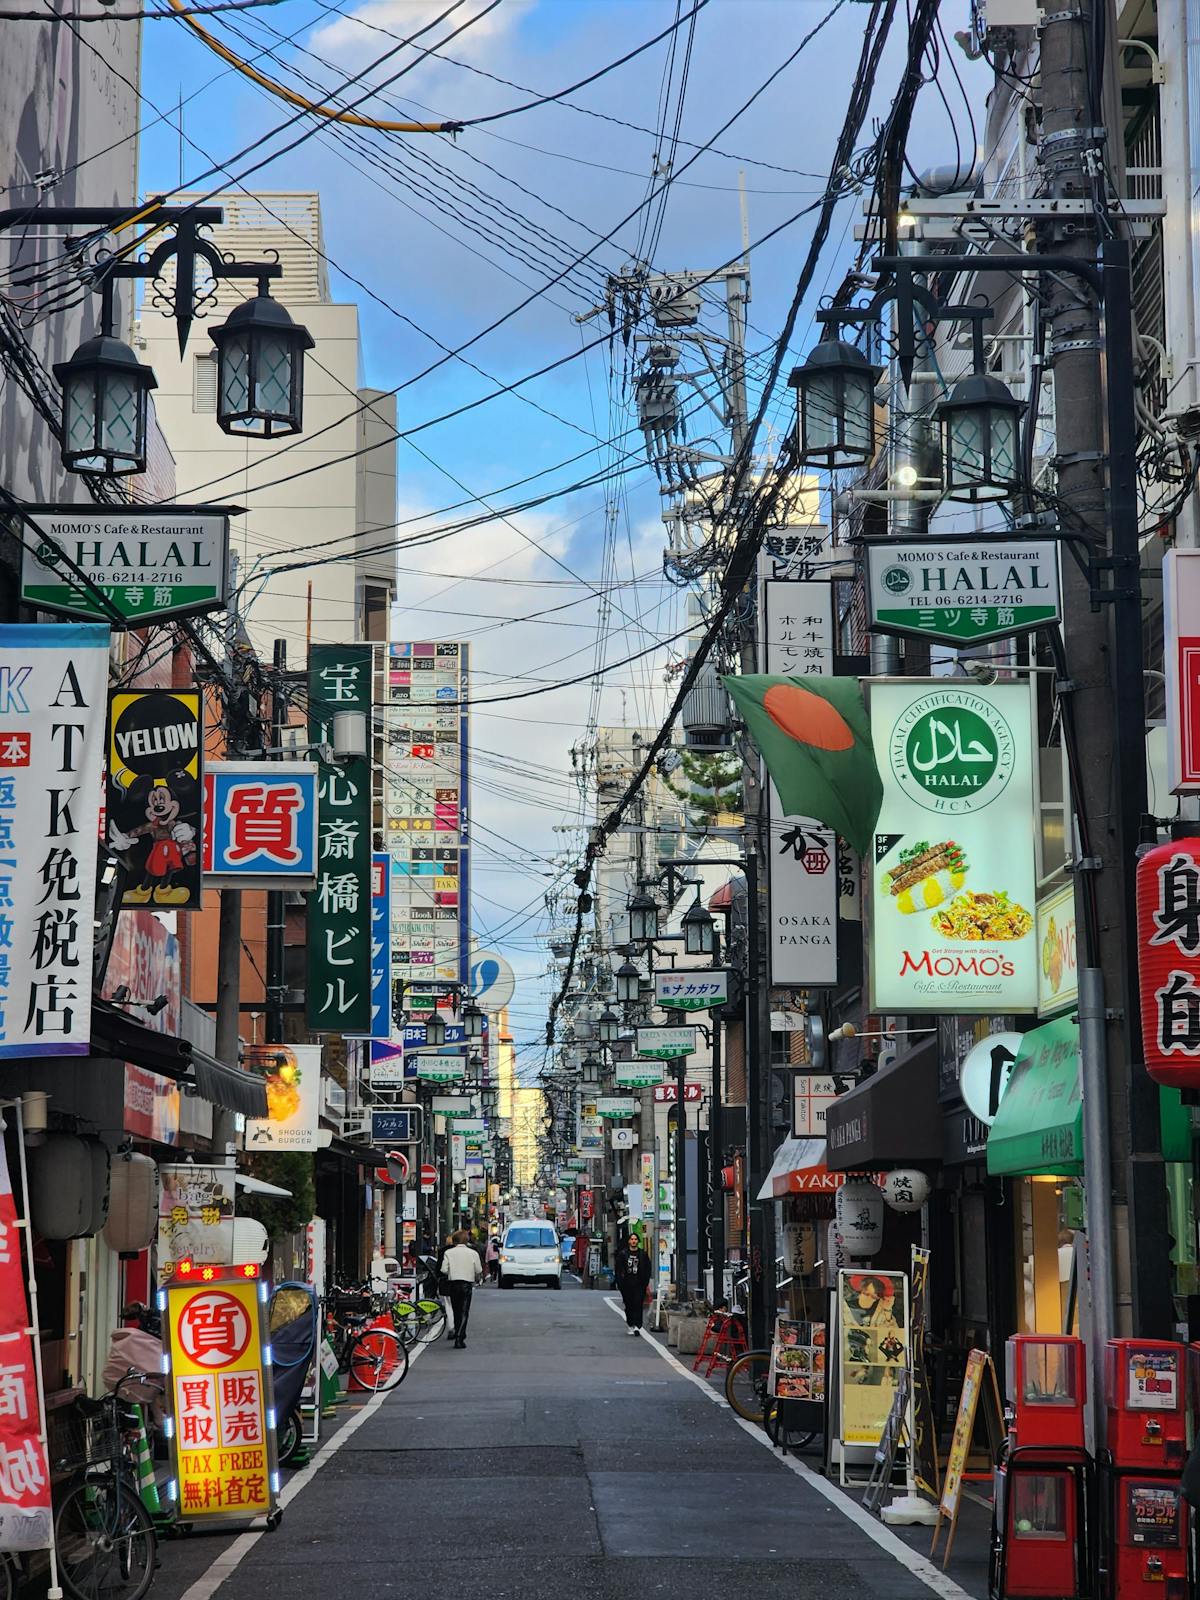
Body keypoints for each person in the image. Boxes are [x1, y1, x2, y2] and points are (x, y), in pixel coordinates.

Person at [441, 1228, 483, 1349]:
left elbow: (443, 1269)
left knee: (456, 1310)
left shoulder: (448, 1253)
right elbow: (479, 1270)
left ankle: (456, 1332)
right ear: (466, 1240)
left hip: (453, 1284)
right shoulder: (473, 1253)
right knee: (464, 1311)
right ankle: (460, 1337)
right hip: (466, 1285)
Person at [615, 1233, 652, 1335]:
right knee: (629, 1305)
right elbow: (618, 1270)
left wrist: (645, 1282)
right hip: (626, 1284)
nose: (634, 1241)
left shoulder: (642, 1254)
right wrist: (619, 1283)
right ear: (629, 1241)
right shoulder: (623, 1254)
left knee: (638, 1304)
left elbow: (648, 1268)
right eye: (632, 1239)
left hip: (639, 1284)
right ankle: (630, 1323)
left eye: (635, 1239)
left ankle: (637, 1326)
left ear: (638, 1241)